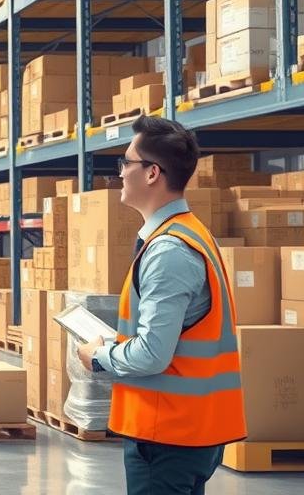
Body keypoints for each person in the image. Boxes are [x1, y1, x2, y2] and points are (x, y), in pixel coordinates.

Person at [77, 115, 245, 494]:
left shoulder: (169, 250)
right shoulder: (188, 233)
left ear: (152, 173)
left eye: (126, 163)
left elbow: (153, 354)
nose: (119, 173)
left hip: (166, 434)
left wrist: (100, 357)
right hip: (186, 431)